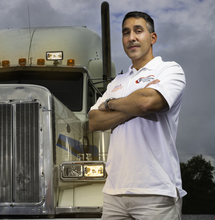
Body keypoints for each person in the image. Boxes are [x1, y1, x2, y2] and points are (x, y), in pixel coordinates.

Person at [89, 11, 186, 219]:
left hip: (156, 192)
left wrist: (111, 105)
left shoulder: (169, 70)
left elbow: (147, 102)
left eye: (138, 31)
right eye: (125, 32)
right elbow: (94, 121)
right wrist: (130, 106)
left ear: (152, 38)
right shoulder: (117, 82)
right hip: (114, 193)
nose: (131, 37)